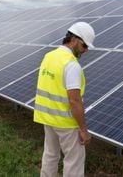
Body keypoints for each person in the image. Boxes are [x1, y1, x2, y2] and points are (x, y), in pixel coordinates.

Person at [34, 22, 96, 177]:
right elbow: (74, 101)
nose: (86, 50)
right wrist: (83, 130)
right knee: (73, 162)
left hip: (48, 119)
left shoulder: (49, 57)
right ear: (74, 39)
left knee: (50, 155)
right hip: (66, 123)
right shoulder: (71, 65)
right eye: (84, 46)